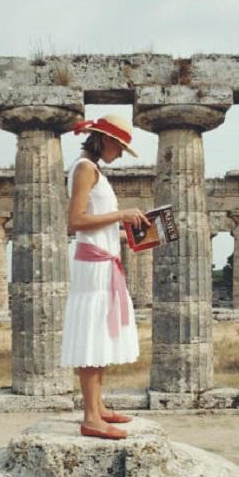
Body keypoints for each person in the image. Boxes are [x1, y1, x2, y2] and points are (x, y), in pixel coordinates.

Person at [61, 114, 151, 440]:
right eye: (121, 146)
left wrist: (131, 228)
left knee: (100, 334)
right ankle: (90, 418)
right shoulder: (85, 168)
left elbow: (98, 220)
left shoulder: (95, 170)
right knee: (92, 334)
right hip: (93, 266)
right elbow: (75, 220)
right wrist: (122, 214)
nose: (123, 153)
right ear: (105, 139)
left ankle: (97, 407)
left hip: (103, 262)